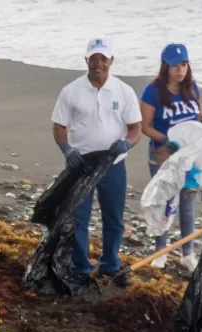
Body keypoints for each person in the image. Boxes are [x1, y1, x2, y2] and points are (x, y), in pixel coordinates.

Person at [51, 37, 142, 287]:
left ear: (111, 60)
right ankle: (81, 267)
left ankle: (110, 265)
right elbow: (59, 127)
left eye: (103, 58)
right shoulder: (71, 91)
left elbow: (136, 128)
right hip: (81, 165)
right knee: (77, 218)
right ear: (86, 60)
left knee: (113, 217)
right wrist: (67, 150)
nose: (98, 64)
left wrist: (128, 142)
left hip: (113, 165)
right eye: (94, 58)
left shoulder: (124, 91)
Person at [140, 43, 202, 272]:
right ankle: (160, 251)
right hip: (163, 152)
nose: (180, 70)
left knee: (187, 201)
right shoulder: (153, 91)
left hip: (189, 154)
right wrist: (169, 140)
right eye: (175, 65)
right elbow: (145, 126)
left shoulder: (193, 88)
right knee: (164, 200)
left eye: (184, 64)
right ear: (165, 66)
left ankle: (187, 253)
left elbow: (199, 118)